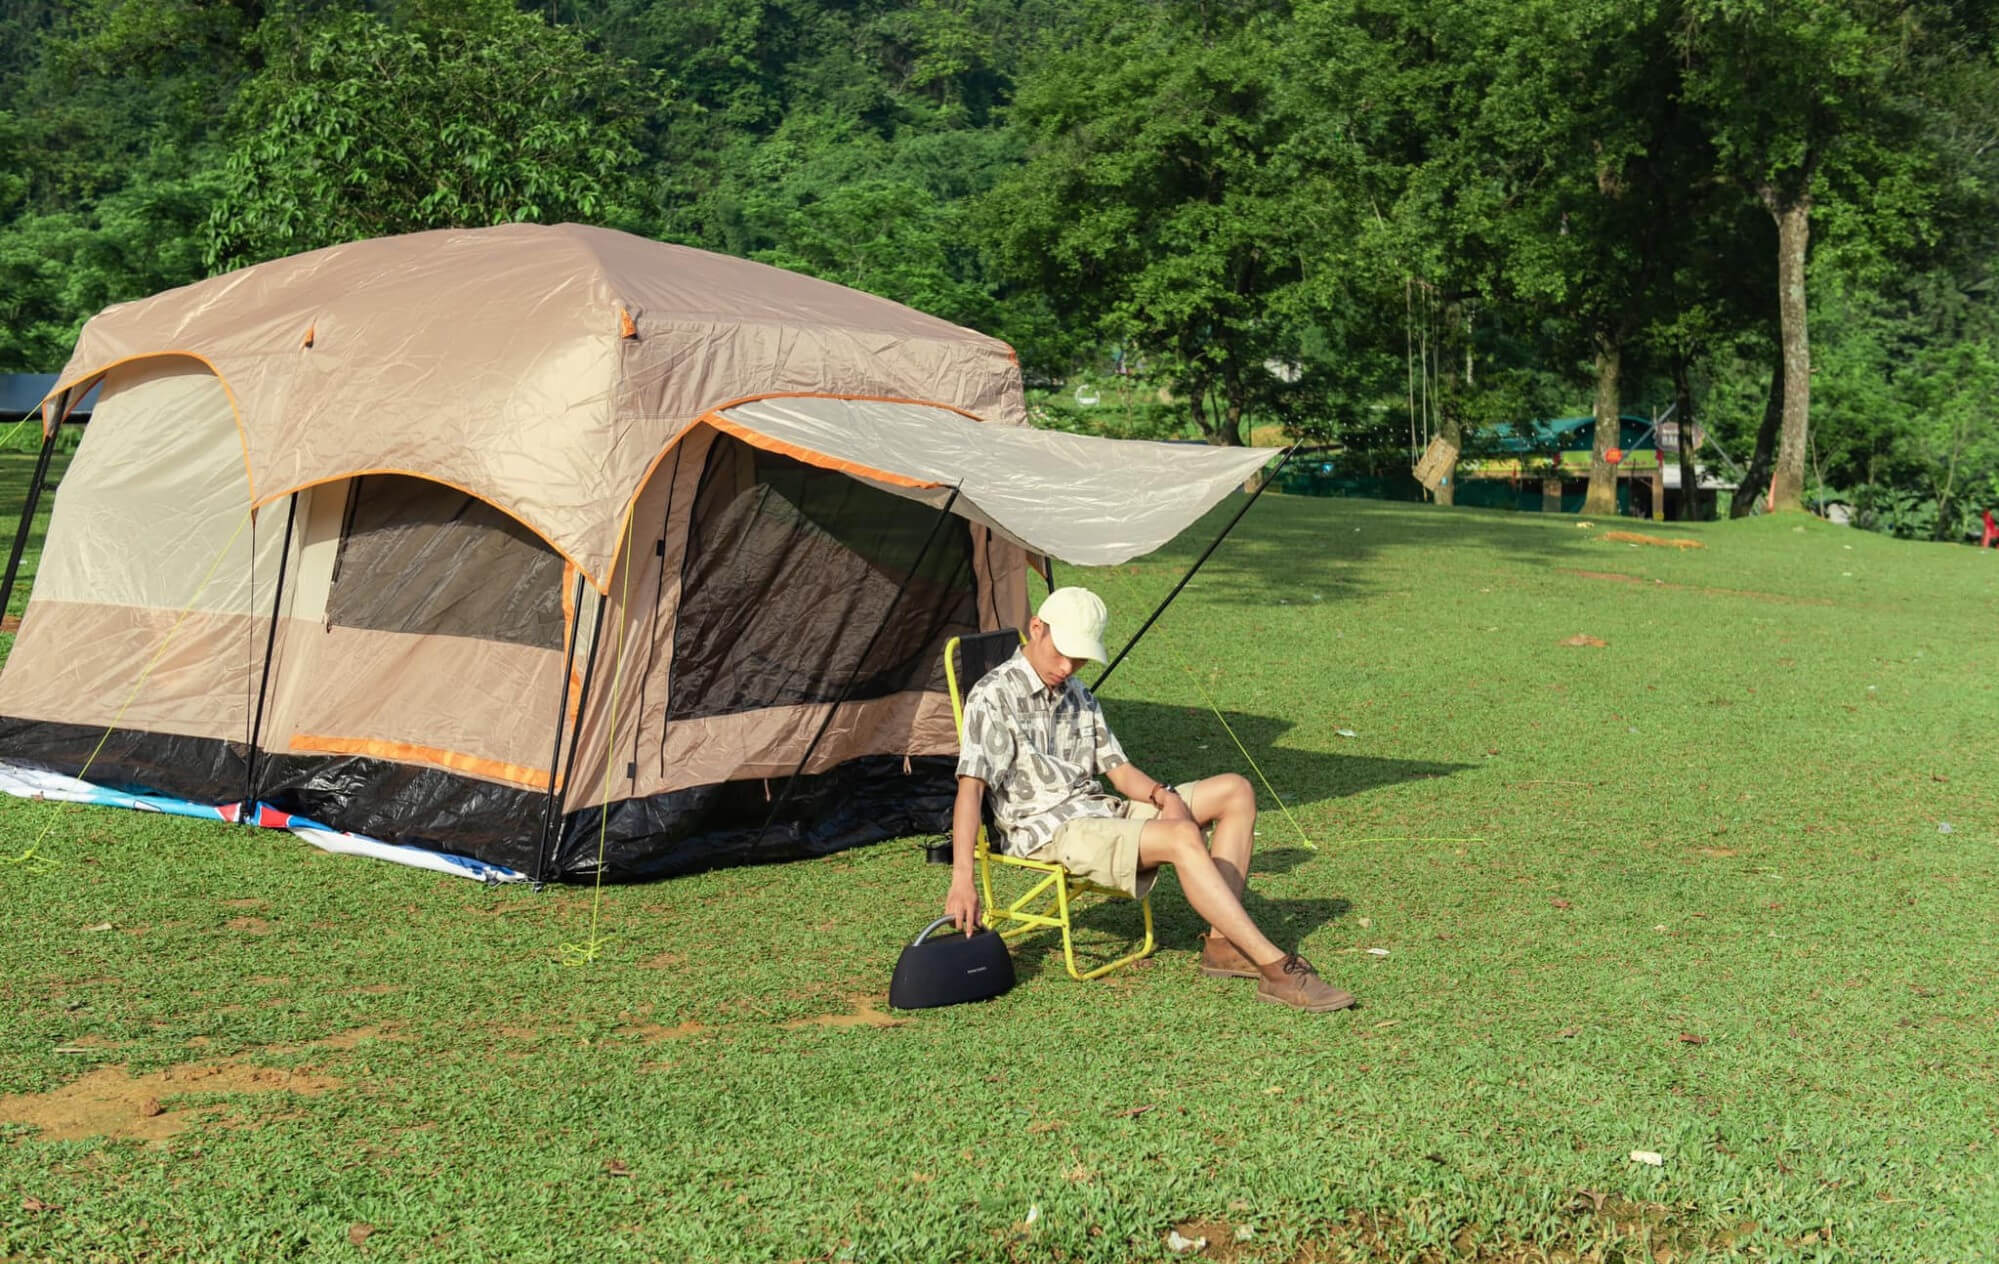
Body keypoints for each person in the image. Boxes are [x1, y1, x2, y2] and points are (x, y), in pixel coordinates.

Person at [943, 587, 1355, 1013]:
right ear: (1036, 629)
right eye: (1062, 653)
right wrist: (962, 879)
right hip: (1052, 832)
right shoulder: (992, 695)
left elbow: (1119, 771)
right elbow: (970, 790)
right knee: (1180, 837)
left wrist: (1164, 795)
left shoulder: (1078, 694)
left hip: (1101, 810)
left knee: (1236, 790)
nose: (1068, 667)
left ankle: (1222, 944)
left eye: (1080, 659)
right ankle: (1276, 968)